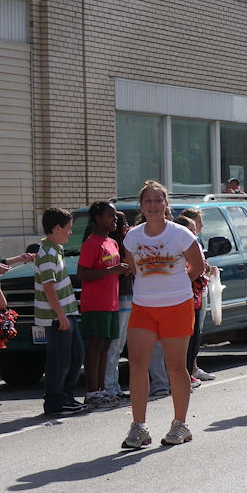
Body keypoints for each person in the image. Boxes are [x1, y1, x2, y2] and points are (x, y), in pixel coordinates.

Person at [121, 180, 204, 449]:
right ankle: (139, 427)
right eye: (148, 201)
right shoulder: (132, 237)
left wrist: (176, 286)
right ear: (141, 206)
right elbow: (134, 269)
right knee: (137, 365)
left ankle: (180, 424)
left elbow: (197, 266)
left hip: (176, 306)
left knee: (176, 367)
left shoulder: (180, 234)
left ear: (166, 205)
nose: (153, 205)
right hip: (143, 307)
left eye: (158, 200)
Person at [35, 207, 88, 416]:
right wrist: (60, 315)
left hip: (67, 313)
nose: (70, 233)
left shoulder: (55, 249)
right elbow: (48, 288)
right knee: (59, 359)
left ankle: (66, 397)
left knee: (76, 354)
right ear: (57, 228)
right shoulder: (47, 254)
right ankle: (55, 402)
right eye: (68, 228)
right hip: (56, 317)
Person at [77, 201, 130, 408]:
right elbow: (82, 273)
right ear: (99, 219)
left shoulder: (112, 243)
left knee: (105, 347)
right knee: (94, 346)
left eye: (115, 215)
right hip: (95, 303)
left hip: (111, 302)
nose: (115, 219)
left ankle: (102, 390)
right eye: (111, 215)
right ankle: (92, 392)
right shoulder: (92, 243)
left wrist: (122, 270)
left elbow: (112, 271)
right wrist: (111, 271)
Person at [180, 207, 215, 383]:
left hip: (199, 292)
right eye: (197, 223)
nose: (201, 226)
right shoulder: (183, 244)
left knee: (196, 333)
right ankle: (186, 372)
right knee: (189, 334)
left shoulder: (196, 243)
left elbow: (201, 265)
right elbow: (192, 266)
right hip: (189, 293)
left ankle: (192, 368)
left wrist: (207, 268)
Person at [174, 215, 209, 383]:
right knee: (184, 341)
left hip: (196, 296)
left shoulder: (195, 245)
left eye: (194, 230)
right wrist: (183, 283)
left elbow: (200, 266)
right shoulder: (179, 247)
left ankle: (189, 372)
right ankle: (183, 376)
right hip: (183, 297)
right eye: (190, 230)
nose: (193, 234)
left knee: (195, 337)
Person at [104, 211, 133, 399]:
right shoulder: (118, 246)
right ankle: (109, 385)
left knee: (119, 344)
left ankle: (114, 385)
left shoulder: (122, 244)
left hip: (127, 296)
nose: (127, 227)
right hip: (119, 296)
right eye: (125, 224)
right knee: (114, 344)